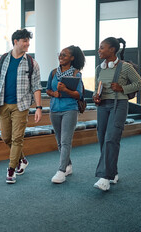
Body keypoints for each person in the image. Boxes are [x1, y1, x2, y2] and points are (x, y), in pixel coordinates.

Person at [0, 29, 42, 184]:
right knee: (6, 137)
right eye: (25, 40)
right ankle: (22, 160)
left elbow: (36, 87)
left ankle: (11, 169)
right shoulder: (1, 60)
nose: (28, 44)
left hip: (21, 106)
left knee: (17, 138)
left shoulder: (32, 63)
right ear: (15, 42)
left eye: (28, 40)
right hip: (3, 105)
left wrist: (39, 107)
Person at [92, 37, 141, 191]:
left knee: (111, 139)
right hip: (102, 106)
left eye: (102, 48)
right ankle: (112, 172)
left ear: (112, 50)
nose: (99, 50)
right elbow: (96, 87)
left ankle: (105, 177)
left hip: (118, 105)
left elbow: (139, 83)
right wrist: (96, 96)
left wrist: (122, 88)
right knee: (102, 138)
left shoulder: (125, 67)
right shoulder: (99, 68)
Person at [46, 45, 85, 184]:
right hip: (54, 109)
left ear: (72, 58)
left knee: (65, 141)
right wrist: (54, 93)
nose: (61, 57)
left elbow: (78, 94)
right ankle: (68, 165)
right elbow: (48, 90)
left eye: (64, 55)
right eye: (60, 54)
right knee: (59, 141)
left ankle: (61, 171)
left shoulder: (76, 74)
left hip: (70, 109)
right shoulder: (53, 73)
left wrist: (65, 90)